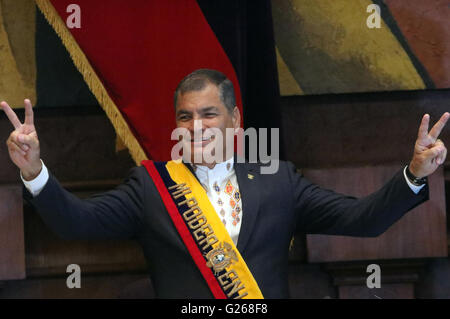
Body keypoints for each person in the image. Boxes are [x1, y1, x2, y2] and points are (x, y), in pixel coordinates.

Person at [1, 69, 448, 299]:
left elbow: (362, 220)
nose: (195, 125)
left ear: (234, 121)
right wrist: (34, 170)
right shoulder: (151, 186)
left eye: (208, 114)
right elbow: (77, 223)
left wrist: (414, 174)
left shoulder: (279, 181)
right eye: (185, 116)